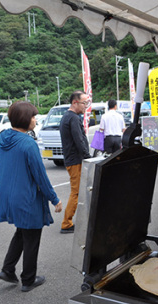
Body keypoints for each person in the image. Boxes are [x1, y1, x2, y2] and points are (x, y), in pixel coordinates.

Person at [0, 101, 63, 292]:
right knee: (32, 236)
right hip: (26, 198)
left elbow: (0, 163)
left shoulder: (3, 137)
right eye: (33, 117)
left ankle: (8, 269)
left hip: (8, 195)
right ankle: (28, 280)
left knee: (22, 231)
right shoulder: (28, 143)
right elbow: (40, 176)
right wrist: (54, 199)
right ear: (25, 119)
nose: (35, 120)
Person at [59, 90, 91, 234]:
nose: (86, 106)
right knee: (76, 192)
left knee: (78, 191)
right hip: (75, 160)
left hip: (72, 159)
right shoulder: (73, 118)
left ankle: (72, 219)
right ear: (74, 102)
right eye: (84, 103)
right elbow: (79, 139)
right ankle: (66, 223)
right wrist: (87, 156)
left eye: (87, 103)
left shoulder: (67, 116)